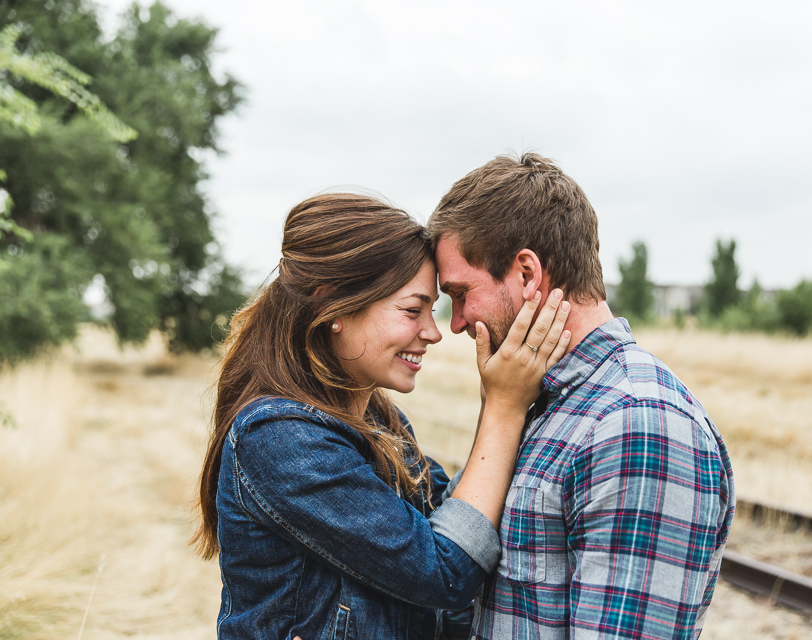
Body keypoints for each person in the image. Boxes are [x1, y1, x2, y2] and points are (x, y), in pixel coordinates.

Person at [192, 193, 572, 640]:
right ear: (331, 305)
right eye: (413, 310)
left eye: (433, 309)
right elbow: (445, 570)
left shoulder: (382, 423)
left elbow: (454, 519)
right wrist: (503, 407)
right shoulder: (278, 438)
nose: (432, 332)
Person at [427, 153, 736, 640]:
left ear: (526, 274)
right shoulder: (542, 403)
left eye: (461, 294)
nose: (458, 322)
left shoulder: (638, 425)